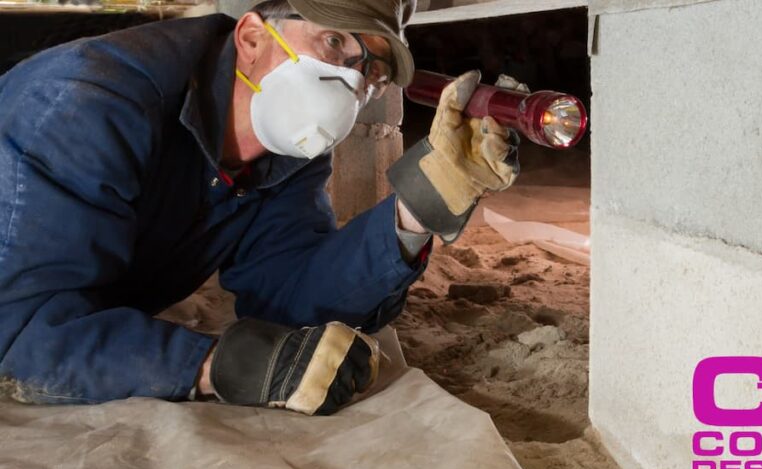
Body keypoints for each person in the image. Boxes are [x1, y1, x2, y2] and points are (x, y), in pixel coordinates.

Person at [0, 0, 519, 415]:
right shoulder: (86, 105)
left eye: (372, 68)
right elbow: (21, 337)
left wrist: (417, 210)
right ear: (251, 37)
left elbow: (290, 297)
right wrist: (215, 365)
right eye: (334, 41)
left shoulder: (285, 153)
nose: (351, 82)